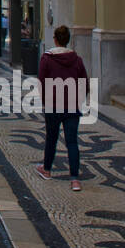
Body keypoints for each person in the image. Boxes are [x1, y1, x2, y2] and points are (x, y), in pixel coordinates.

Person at [36, 25, 88, 192]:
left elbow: (41, 82)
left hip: (53, 105)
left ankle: (47, 169)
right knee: (72, 141)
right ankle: (74, 179)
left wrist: (45, 100)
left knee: (51, 138)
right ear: (68, 40)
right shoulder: (77, 60)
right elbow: (84, 83)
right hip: (72, 105)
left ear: (55, 39)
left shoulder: (47, 58)